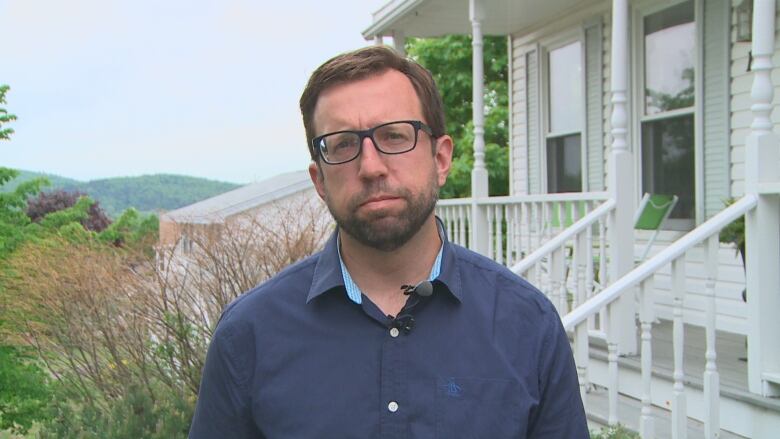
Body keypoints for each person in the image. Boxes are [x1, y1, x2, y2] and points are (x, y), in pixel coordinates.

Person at [189, 46, 588, 438]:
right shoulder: (249, 335)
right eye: (343, 144)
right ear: (319, 180)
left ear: (441, 158)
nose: (371, 166)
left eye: (395, 136)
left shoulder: (527, 326)